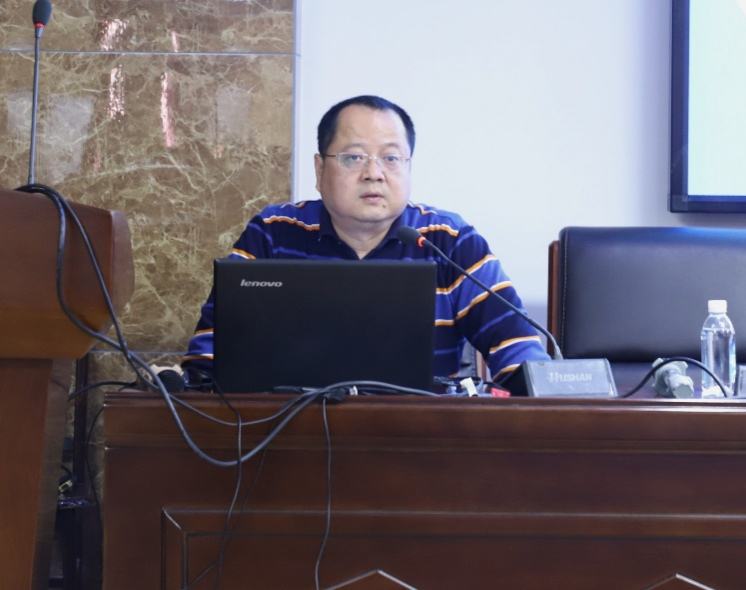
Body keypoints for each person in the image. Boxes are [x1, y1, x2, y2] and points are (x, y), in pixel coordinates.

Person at [181, 95, 547, 389]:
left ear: (408, 166)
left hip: (422, 439)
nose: (374, 173)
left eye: (391, 158)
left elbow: (520, 352)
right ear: (319, 169)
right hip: (289, 434)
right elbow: (212, 354)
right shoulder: (273, 233)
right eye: (354, 157)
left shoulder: (448, 240)